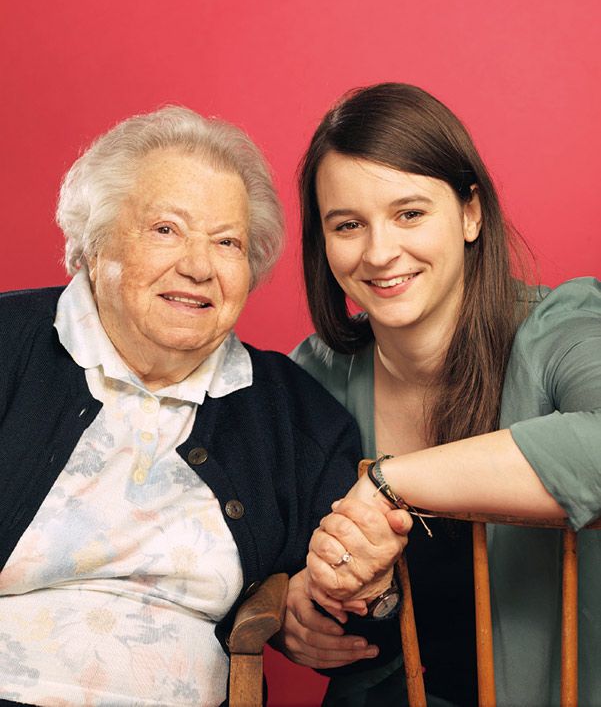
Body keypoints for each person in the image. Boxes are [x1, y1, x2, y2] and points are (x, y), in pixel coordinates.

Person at [0, 106, 409, 707]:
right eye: (165, 229)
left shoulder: (292, 412)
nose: (197, 266)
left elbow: (350, 629)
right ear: (94, 240)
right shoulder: (12, 344)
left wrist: (364, 587)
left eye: (227, 242)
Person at [283, 83, 601, 706]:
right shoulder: (312, 379)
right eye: (348, 225)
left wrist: (390, 482)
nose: (379, 252)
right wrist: (303, 597)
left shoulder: (562, 329)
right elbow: (275, 554)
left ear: (470, 213)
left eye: (409, 213)